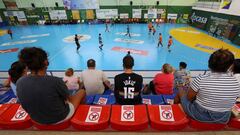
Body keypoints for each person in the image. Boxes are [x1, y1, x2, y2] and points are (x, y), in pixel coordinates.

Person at [16, 47, 86, 124]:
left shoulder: (19, 82)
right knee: (82, 92)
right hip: (60, 117)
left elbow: (25, 106)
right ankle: (81, 114)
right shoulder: (55, 81)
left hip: (36, 119)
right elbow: (68, 98)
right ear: (45, 62)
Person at [175, 49, 240, 124]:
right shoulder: (236, 82)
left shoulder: (201, 79)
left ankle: (174, 110)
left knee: (180, 91)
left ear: (209, 64)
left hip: (200, 116)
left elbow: (189, 98)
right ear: (230, 66)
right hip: (223, 118)